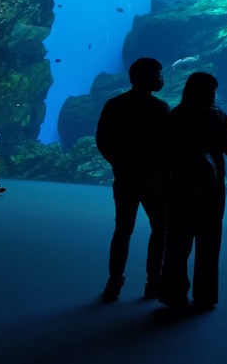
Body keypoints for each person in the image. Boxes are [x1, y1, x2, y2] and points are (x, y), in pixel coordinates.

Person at [159, 72, 227, 310]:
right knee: (209, 241)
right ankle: (205, 295)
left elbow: (165, 150)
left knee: (177, 240)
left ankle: (172, 294)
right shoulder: (218, 115)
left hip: (179, 184)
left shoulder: (175, 114)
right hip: (211, 186)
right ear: (209, 92)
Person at [96, 57, 170, 301]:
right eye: (159, 74)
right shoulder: (160, 108)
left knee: (122, 231)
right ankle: (154, 282)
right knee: (160, 228)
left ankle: (114, 283)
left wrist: (119, 163)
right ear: (149, 78)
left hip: (125, 177)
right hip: (154, 180)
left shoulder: (114, 104)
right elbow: (167, 144)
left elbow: (103, 140)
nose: (161, 78)